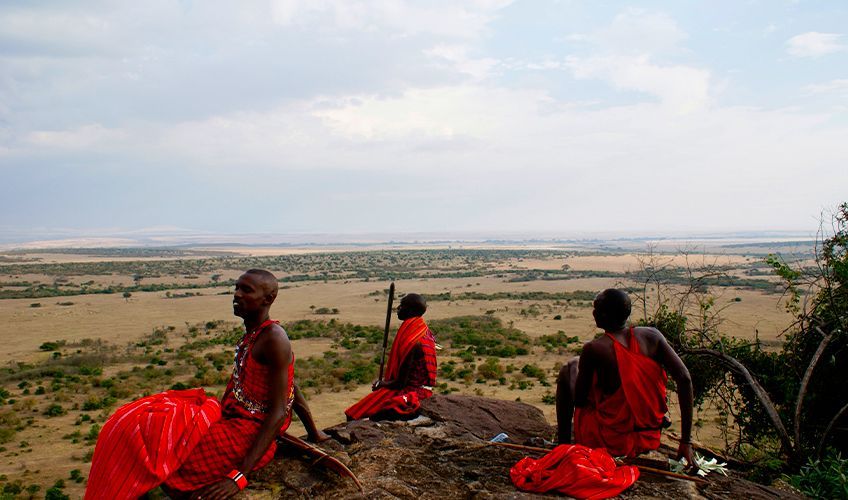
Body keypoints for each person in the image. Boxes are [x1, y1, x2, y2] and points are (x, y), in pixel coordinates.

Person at [86, 269, 324, 499]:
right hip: (232, 417)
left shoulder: (273, 338)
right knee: (149, 419)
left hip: (248, 431)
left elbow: (279, 410)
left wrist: (238, 476)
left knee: (174, 458)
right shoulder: (255, 333)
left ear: (268, 299)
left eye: (246, 290)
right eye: (236, 288)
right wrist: (314, 433)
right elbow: (291, 386)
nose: (237, 294)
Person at [556, 289, 695, 467]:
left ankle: (563, 447)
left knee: (569, 368)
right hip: (649, 437)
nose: (593, 313)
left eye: (597, 309)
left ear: (605, 315)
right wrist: (686, 441)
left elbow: (581, 401)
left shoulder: (595, 349)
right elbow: (685, 378)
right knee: (581, 366)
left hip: (612, 441)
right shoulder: (653, 336)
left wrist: (576, 376)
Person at [344, 293, 437, 421]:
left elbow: (400, 384)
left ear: (410, 310)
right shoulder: (423, 331)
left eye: (402, 305)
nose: (398, 308)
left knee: (353, 414)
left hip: (410, 391)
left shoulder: (413, 341)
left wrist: (381, 384)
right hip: (417, 387)